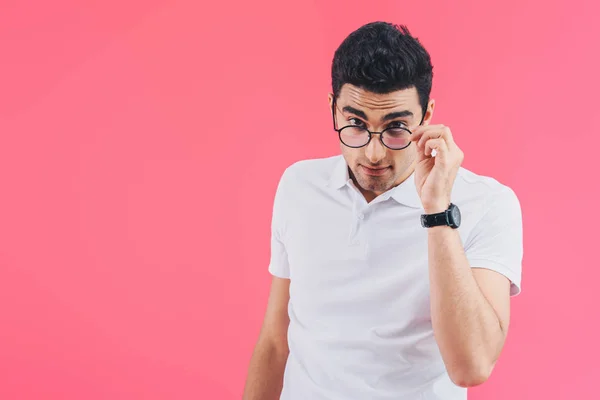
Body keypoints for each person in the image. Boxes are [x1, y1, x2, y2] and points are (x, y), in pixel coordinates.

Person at [242, 21, 523, 400]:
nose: (373, 153)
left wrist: (437, 210)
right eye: (356, 124)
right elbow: (277, 341)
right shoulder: (298, 186)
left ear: (426, 117)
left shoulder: (486, 204)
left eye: (396, 128)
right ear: (333, 110)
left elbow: (471, 366)